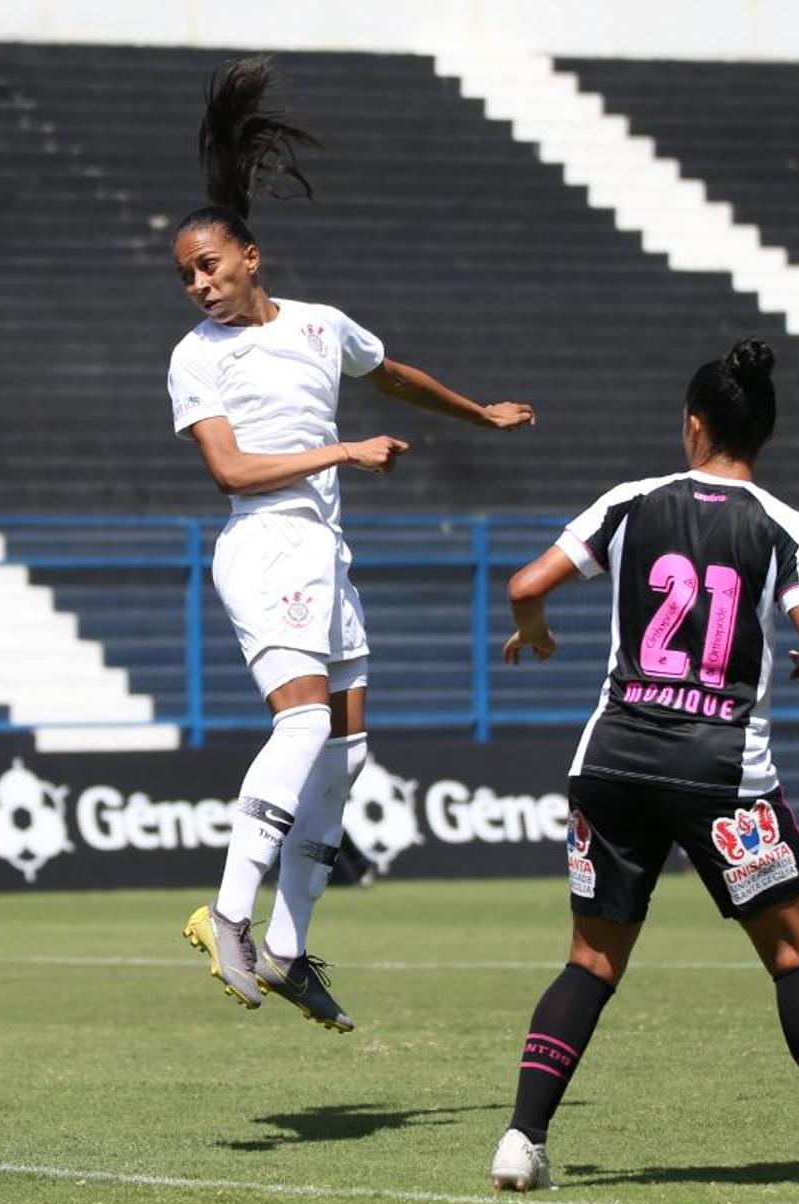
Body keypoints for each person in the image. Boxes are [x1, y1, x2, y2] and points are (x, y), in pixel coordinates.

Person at [488, 338, 799, 1192]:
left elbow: (525, 584)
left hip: (615, 758)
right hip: (720, 774)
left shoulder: (630, 500)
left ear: (694, 426)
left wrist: (539, 632)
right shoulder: (784, 525)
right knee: (796, 956)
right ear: (760, 437)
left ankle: (522, 1137)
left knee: (590, 960)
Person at [169, 57, 535, 1032]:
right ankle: (228, 914)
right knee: (300, 729)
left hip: (324, 555)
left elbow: (394, 372)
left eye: (209, 264)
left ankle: (287, 950)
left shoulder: (322, 326)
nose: (198, 284)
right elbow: (231, 474)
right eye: (186, 275)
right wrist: (344, 449)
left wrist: (477, 413)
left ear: (250, 257)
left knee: (349, 750)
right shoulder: (196, 359)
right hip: (265, 547)